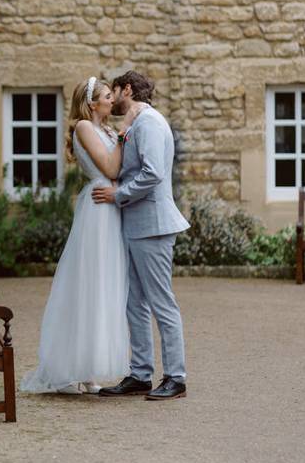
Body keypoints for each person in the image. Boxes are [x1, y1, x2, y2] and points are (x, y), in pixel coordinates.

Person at [20, 77, 132, 395]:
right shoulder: (85, 126)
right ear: (93, 103)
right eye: (108, 96)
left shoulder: (108, 130)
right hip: (99, 209)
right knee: (92, 285)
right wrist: (127, 130)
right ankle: (77, 369)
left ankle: (88, 368)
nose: (114, 100)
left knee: (107, 286)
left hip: (112, 205)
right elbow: (111, 167)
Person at [93, 70, 191, 401]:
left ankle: (176, 377)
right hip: (136, 226)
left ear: (127, 90)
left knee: (161, 302)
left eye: (115, 91)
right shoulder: (135, 124)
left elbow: (152, 174)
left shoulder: (149, 123)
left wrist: (117, 195)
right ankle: (140, 373)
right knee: (134, 302)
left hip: (153, 225)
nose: (113, 97)